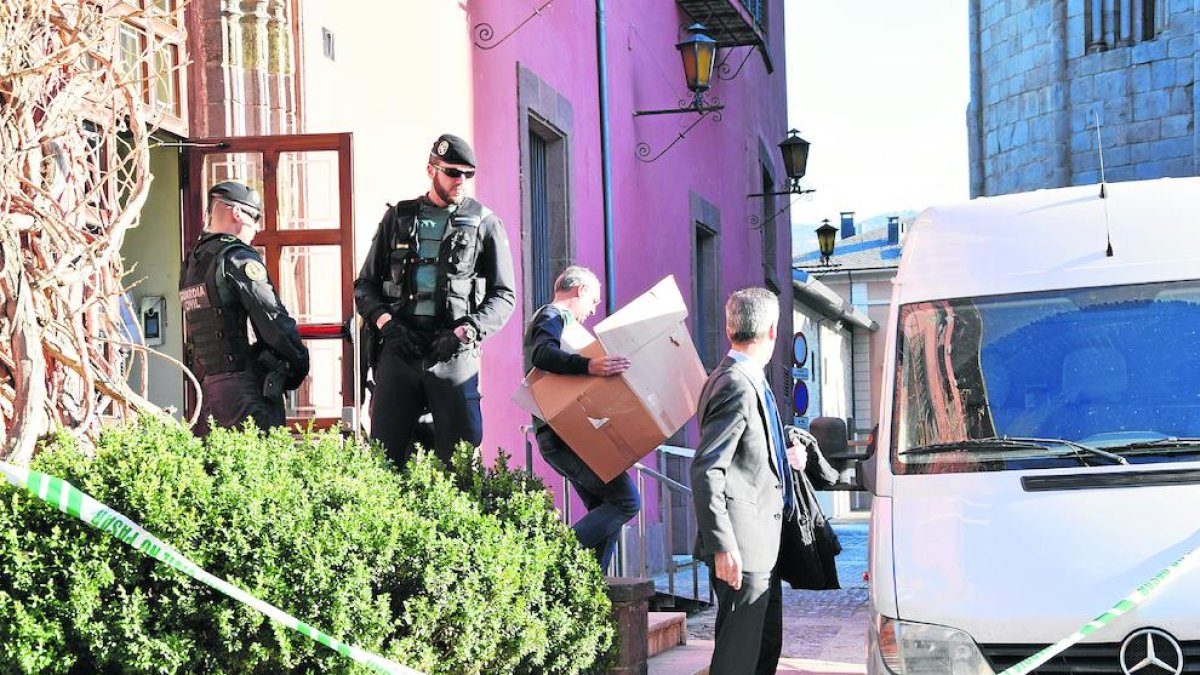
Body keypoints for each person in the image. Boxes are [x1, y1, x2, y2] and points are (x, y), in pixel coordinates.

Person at [355, 133, 516, 466]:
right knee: (385, 461)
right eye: (452, 172)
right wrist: (387, 325)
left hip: (453, 353)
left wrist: (466, 331)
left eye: (467, 174)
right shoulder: (399, 217)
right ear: (431, 169)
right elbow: (364, 286)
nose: (461, 181)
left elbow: (504, 296)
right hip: (400, 350)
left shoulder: (485, 224)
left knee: (459, 464)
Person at [690, 287, 798, 675]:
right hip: (741, 548)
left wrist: (785, 458)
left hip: (762, 545)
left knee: (764, 650)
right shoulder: (734, 382)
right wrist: (723, 545)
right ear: (772, 330)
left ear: (729, 325)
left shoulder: (748, 378)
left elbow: (743, 455)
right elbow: (707, 469)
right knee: (738, 658)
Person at [523, 266, 640, 571]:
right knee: (627, 501)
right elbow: (542, 354)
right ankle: (552, 560)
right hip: (565, 435)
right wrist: (591, 366)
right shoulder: (552, 315)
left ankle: (590, 591)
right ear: (581, 291)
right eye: (594, 301)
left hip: (563, 435)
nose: (593, 310)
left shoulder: (555, 320)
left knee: (605, 511)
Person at [180, 181, 309, 437]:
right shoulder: (237, 258)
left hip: (207, 389)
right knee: (258, 471)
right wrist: (299, 362)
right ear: (236, 213)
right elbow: (272, 319)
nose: (257, 228)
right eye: (255, 217)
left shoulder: (194, 262)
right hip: (243, 391)